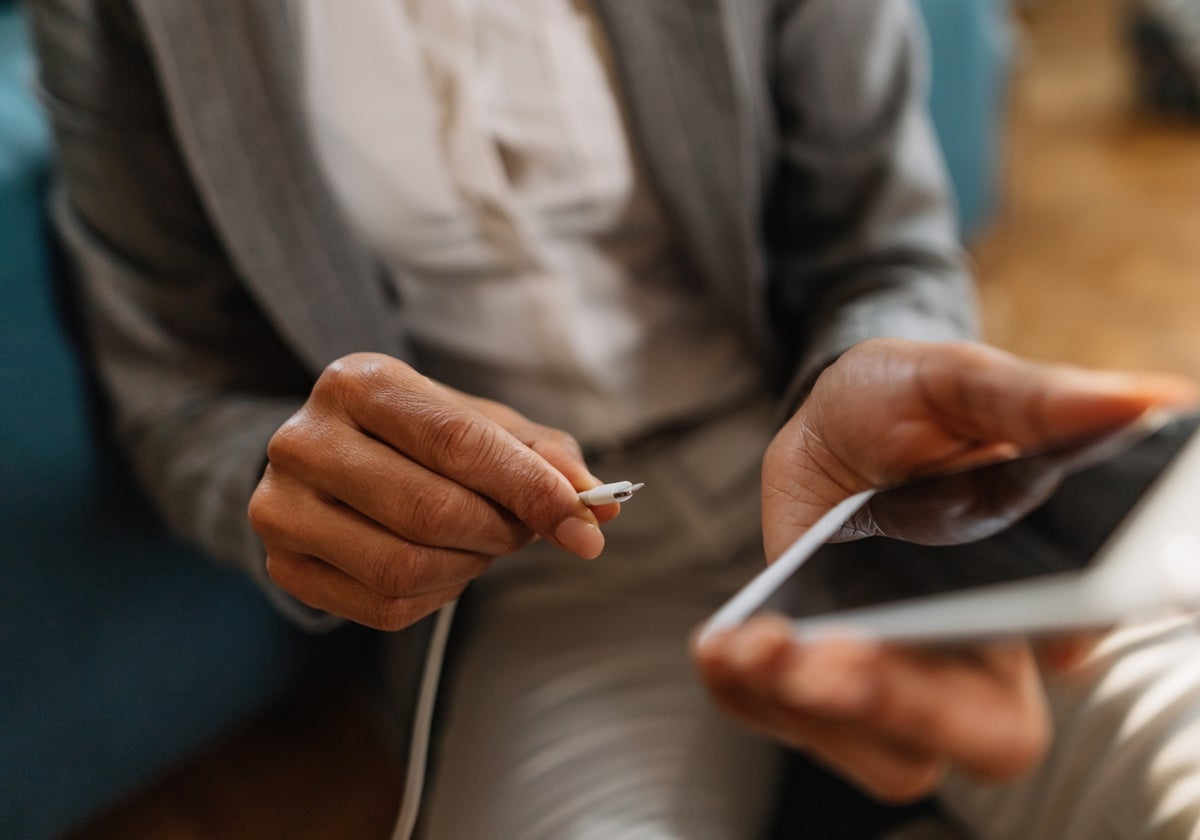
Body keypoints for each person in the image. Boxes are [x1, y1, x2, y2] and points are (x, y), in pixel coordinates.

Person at [28, 0, 1200, 838]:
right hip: (548, 586)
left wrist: (871, 368)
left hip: (859, 500)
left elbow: (881, 242)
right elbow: (181, 392)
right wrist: (308, 492)